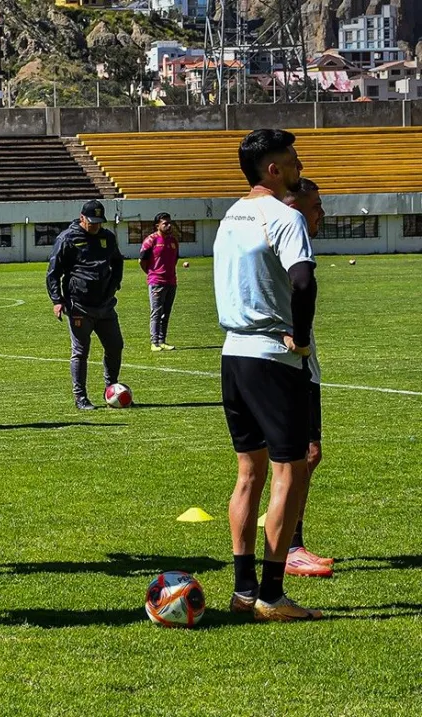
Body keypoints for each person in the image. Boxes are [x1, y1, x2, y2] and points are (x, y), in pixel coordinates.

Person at [214, 129, 321, 622]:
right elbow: (302, 280)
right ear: (273, 170)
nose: (299, 165)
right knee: (289, 471)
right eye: (292, 160)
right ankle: (272, 597)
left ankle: (242, 589)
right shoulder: (286, 215)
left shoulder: (228, 217)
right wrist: (300, 336)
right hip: (273, 358)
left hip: (232, 355)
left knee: (247, 474)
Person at [282, 178, 333, 579]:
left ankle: (287, 541)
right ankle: (289, 545)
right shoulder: (287, 241)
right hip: (291, 365)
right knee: (302, 456)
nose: (321, 213)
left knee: (299, 457)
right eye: (315, 205)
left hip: (301, 365)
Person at [46, 199, 125, 410]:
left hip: (106, 305)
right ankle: (80, 397)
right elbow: (54, 272)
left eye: (99, 222)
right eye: (92, 222)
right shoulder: (67, 238)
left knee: (115, 345)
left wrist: (115, 283)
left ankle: (111, 389)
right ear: (82, 218)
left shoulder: (107, 238)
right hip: (79, 305)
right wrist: (57, 300)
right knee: (80, 351)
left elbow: (117, 261)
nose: (96, 226)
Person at [139, 212, 179, 351]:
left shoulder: (173, 241)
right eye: (165, 223)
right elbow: (142, 261)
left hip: (171, 281)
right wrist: (153, 274)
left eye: (170, 223)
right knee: (156, 312)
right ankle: (154, 342)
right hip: (156, 281)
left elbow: (175, 260)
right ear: (157, 225)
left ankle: (162, 341)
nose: (169, 226)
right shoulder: (151, 240)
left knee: (166, 312)